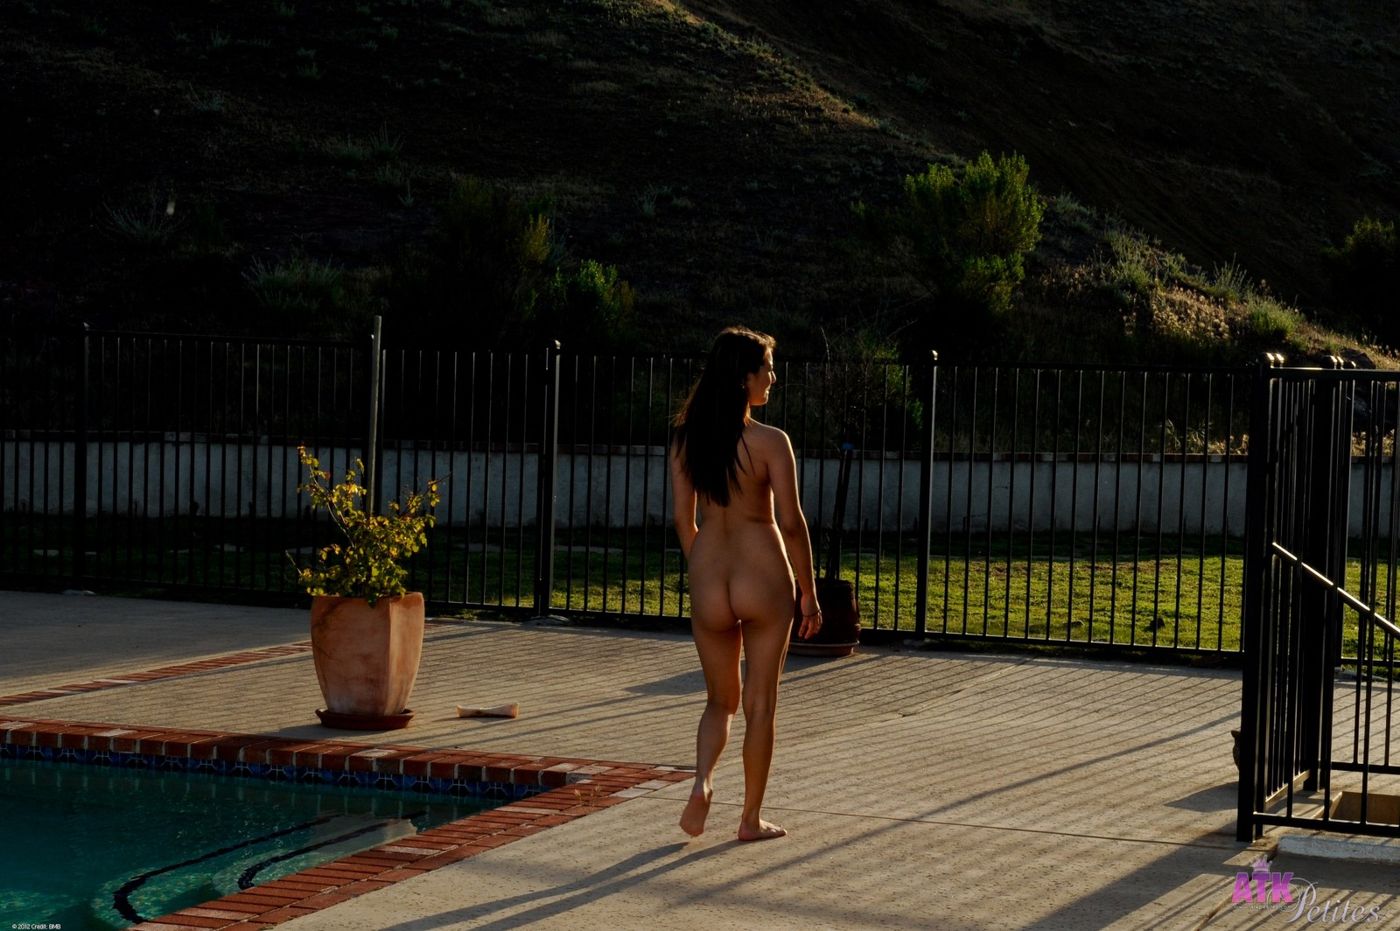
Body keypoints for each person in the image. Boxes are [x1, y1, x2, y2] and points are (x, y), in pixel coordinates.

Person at [669, 326, 822, 842]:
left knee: (720, 700)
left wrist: (702, 567)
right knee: (760, 706)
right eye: (768, 370)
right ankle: (750, 820)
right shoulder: (770, 442)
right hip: (763, 575)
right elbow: (792, 523)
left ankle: (701, 782)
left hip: (709, 572)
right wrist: (809, 591)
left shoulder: (686, 440)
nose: (773, 379)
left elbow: (684, 521)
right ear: (744, 377)